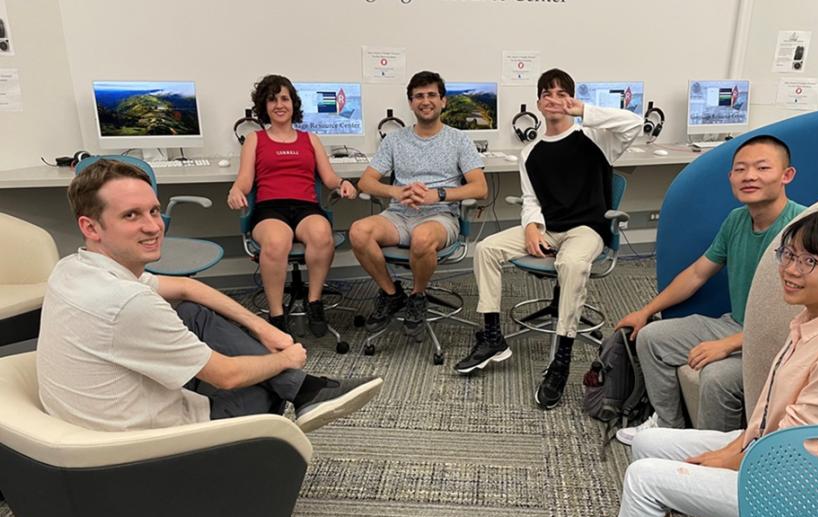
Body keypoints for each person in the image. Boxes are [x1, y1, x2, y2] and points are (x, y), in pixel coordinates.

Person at [600, 210, 818, 517]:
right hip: (772, 452)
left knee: (643, 478)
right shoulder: (814, 318)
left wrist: (730, 459)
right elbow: (778, 416)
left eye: (810, 261)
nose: (790, 269)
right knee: (649, 444)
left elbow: (796, 448)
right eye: (789, 254)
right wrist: (730, 449)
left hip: (802, 490)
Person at [37, 159, 381, 432]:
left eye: (154, 211)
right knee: (264, 385)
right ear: (91, 226)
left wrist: (263, 327)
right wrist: (286, 359)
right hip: (149, 439)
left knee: (190, 311)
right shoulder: (128, 304)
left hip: (100, 412)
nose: (154, 226)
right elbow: (227, 375)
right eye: (131, 215)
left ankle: (306, 390)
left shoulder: (72, 268)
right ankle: (302, 389)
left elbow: (188, 287)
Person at [454, 68, 642, 410]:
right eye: (547, 94)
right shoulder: (531, 153)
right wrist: (530, 227)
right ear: (538, 103)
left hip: (586, 229)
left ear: (570, 99)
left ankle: (562, 358)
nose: (553, 100)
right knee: (485, 249)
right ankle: (494, 337)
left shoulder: (596, 138)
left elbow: (634, 123)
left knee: (570, 263)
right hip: (550, 228)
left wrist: (583, 110)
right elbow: (531, 201)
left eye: (561, 93)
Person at [615, 135, 806, 442]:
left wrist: (731, 344)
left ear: (787, 175)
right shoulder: (736, 220)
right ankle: (668, 427)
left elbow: (806, 318)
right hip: (736, 322)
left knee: (716, 377)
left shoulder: (803, 228)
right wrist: (646, 311)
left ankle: (713, 454)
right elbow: (696, 274)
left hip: (784, 339)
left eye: (762, 168)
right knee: (651, 337)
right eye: (740, 169)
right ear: (731, 177)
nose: (750, 176)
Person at [350, 71, 488, 337]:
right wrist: (396, 191)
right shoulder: (395, 140)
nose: (425, 101)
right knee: (358, 231)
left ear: (443, 101)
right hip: (399, 216)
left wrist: (439, 195)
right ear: (411, 103)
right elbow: (365, 182)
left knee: (422, 238)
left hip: (440, 217)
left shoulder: (459, 139)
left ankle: (417, 296)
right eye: (419, 96)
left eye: (431, 95)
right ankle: (392, 294)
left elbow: (480, 188)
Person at [226, 74, 356, 337]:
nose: (279, 105)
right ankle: (276, 316)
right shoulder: (255, 140)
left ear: (294, 103)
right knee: (276, 243)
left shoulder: (310, 139)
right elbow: (244, 181)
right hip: (270, 208)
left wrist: (344, 183)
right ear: (264, 106)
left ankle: (314, 302)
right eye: (272, 100)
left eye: (284, 98)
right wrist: (235, 191)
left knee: (322, 236)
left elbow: (329, 177)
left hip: (306, 206)